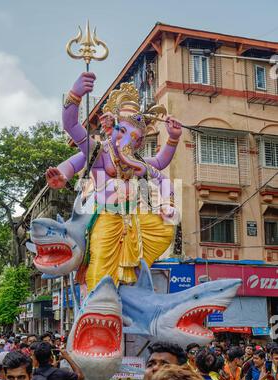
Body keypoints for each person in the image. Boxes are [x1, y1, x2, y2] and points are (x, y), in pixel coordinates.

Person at [46, 72, 182, 293]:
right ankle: (97, 306)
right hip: (107, 217)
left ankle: (132, 287)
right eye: (123, 131)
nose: (129, 140)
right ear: (114, 129)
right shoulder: (99, 153)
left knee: (165, 228)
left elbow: (161, 163)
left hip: (136, 218)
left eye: (136, 138)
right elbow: (71, 126)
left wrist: (173, 139)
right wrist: (75, 94)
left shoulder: (137, 162)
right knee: (100, 269)